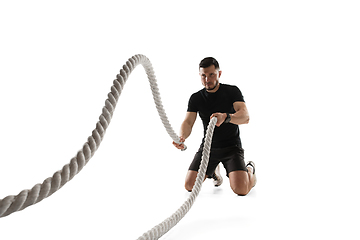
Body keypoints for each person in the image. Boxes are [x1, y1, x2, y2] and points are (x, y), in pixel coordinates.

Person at [172, 57, 256, 196]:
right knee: (189, 185)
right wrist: (181, 137)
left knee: (241, 190)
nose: (207, 80)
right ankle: (213, 170)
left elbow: (245, 117)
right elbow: (188, 122)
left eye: (211, 75)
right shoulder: (196, 98)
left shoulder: (232, 91)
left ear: (219, 74)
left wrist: (226, 117)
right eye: (203, 75)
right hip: (208, 149)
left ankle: (250, 170)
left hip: (231, 148)